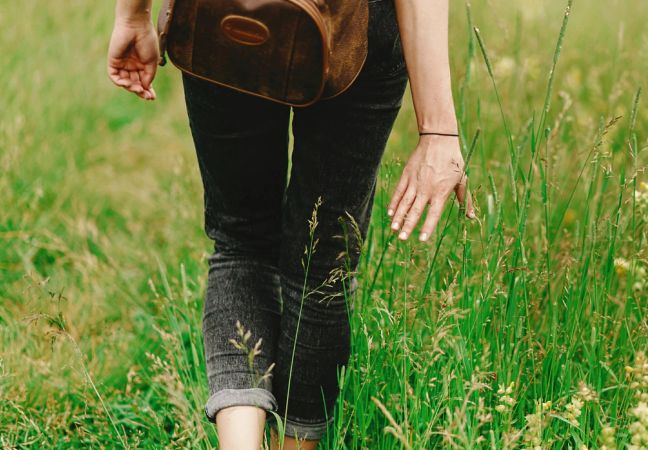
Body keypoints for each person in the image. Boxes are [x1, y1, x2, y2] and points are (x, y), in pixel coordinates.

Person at [107, 0, 476, 448]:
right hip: (357, 28)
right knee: (322, 265)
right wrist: (438, 130)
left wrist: (133, 13)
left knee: (241, 240)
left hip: (223, 15)